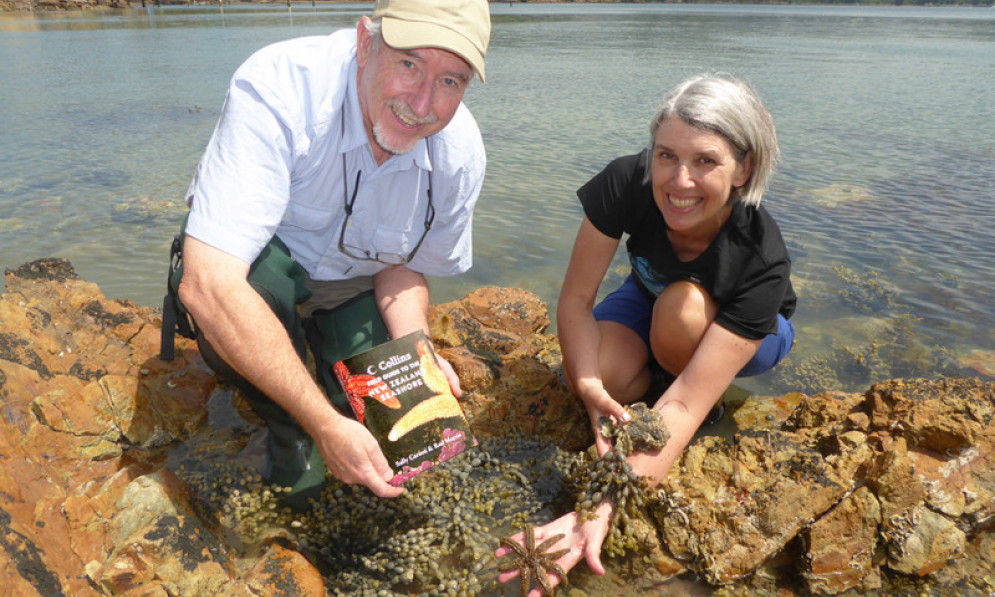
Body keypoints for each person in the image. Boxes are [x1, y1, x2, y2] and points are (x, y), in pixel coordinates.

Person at [167, 0, 491, 507]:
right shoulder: (281, 87)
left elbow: (402, 267)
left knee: (390, 422)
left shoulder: (459, 154)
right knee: (307, 439)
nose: (423, 103)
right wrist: (319, 422)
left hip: (352, 282)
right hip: (259, 275)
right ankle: (286, 423)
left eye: (451, 80)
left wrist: (418, 350)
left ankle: (328, 384)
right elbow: (208, 282)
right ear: (365, 42)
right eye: (409, 64)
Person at [497, 73, 796, 593]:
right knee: (597, 372)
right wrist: (589, 388)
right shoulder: (625, 182)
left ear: (744, 168)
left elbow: (682, 409)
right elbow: (575, 301)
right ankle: (654, 371)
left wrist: (595, 509)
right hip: (652, 295)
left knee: (682, 319)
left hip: (747, 330)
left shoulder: (760, 256)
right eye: (666, 156)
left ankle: (689, 377)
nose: (679, 181)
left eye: (706, 160)